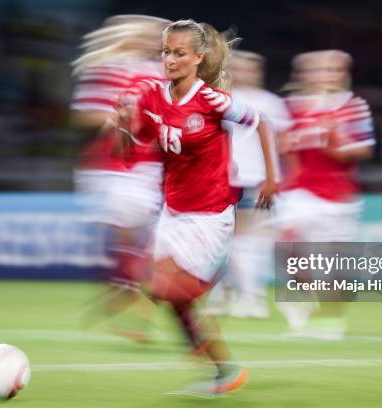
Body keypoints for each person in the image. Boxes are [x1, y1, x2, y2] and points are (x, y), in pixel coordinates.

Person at [114, 19, 277, 395]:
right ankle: (224, 371)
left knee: (166, 287)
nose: (169, 60)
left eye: (179, 53)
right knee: (172, 300)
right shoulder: (152, 95)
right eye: (166, 52)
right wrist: (125, 127)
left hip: (209, 215)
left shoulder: (212, 101)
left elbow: (262, 123)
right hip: (172, 211)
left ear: (197, 58)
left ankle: (213, 283)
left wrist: (271, 178)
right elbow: (132, 151)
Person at [70, 15, 168, 341]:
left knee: (165, 234)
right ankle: (125, 291)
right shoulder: (108, 69)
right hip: (115, 166)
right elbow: (85, 116)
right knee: (130, 231)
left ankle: (122, 291)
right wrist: (118, 117)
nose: (153, 39)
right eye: (146, 33)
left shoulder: (161, 73)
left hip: (152, 165)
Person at [274, 50, 375, 340]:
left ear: (343, 74)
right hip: (298, 191)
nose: (325, 75)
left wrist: (336, 145)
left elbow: (364, 149)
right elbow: (279, 144)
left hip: (337, 193)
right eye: (318, 69)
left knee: (333, 263)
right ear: (304, 75)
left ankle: (331, 322)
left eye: (332, 69)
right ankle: (304, 297)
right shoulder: (290, 107)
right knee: (284, 244)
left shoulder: (353, 106)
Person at [204, 50, 290, 319]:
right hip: (220, 179)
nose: (243, 74)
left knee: (251, 241)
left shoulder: (271, 103)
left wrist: (273, 176)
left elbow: (284, 143)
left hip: (256, 178)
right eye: (237, 68)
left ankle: (250, 297)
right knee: (218, 241)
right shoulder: (216, 98)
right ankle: (223, 295)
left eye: (249, 69)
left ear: (258, 73)